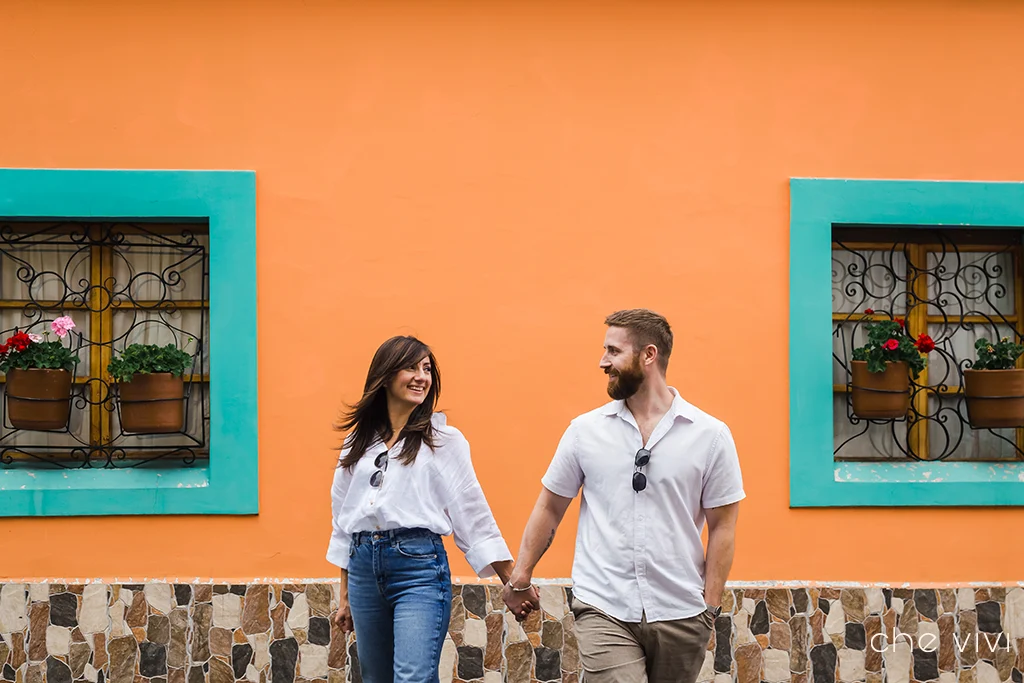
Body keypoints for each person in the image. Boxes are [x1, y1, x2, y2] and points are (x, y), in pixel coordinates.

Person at [503, 309, 744, 683]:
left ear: (649, 355)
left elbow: (723, 527)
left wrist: (709, 607)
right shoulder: (585, 431)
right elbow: (550, 507)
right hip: (604, 605)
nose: (603, 362)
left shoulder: (710, 435)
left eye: (613, 351)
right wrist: (521, 577)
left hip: (681, 612)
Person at [327, 335, 519, 683]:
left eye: (427, 369)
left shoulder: (443, 440)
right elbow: (343, 521)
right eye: (410, 367)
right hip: (363, 571)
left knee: (413, 676)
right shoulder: (357, 443)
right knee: (375, 678)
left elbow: (471, 512)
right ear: (384, 376)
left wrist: (513, 581)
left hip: (418, 569)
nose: (421, 377)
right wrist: (345, 597)